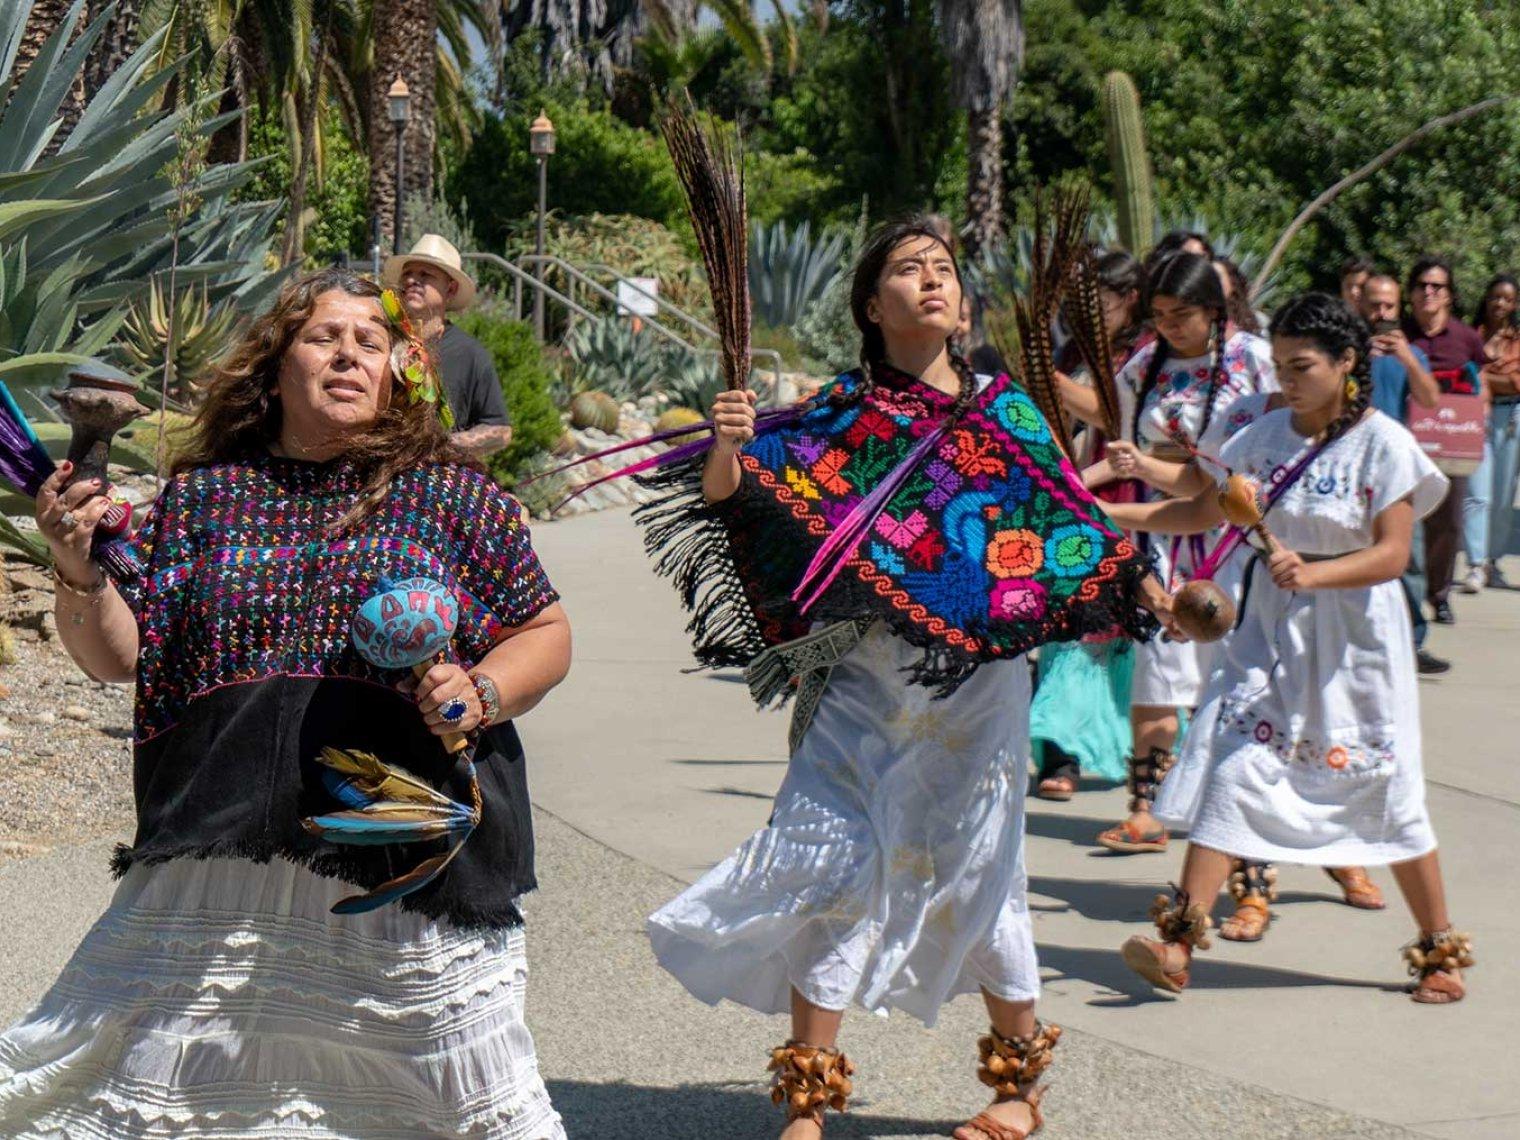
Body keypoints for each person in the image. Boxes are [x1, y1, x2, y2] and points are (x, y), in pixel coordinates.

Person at [0, 270, 573, 1136]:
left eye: (369, 343)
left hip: (397, 858)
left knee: (438, 1092)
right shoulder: (203, 499)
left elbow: (546, 630)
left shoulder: (451, 497)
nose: (346, 354)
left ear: (398, 373)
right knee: (162, 1077)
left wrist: (479, 691)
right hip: (220, 855)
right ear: (275, 369)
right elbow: (118, 657)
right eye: (322, 338)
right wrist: (78, 571)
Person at [640, 220, 1169, 1140]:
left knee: (976, 875)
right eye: (904, 269)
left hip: (978, 689)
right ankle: (807, 1100)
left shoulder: (1008, 413)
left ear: (962, 306)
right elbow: (739, 499)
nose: (929, 281)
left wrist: (1151, 587)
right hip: (864, 684)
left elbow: (1074, 528)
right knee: (831, 856)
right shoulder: (839, 413)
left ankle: (1017, 1087)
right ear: (870, 305)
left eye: (943, 270)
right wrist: (727, 441)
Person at [1112, 292, 1472, 1006]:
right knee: (1234, 770)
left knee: (1384, 792)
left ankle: (1439, 949)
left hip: (1355, 643)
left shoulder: (1385, 445)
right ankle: (1177, 944)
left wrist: (1316, 571)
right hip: (1269, 635)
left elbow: (1393, 554)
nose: (1286, 379)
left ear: (1345, 364)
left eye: (1302, 365)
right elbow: (1202, 508)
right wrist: (1108, 511)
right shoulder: (1260, 437)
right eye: (1277, 365)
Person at [1064, 252, 1276, 859]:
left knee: (1241, 680)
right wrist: (1082, 492)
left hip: (1241, 533)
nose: (1170, 327)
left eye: (1182, 314)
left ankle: (1272, 835)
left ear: (1214, 309)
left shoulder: (1253, 361)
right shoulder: (1143, 364)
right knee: (1157, 672)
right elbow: (1118, 433)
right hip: (1164, 531)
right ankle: (1146, 808)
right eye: (1158, 315)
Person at [1031, 249, 1146, 799]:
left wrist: (1044, 373)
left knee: (1123, 636)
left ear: (1128, 300)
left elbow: (1114, 414)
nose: (1084, 313)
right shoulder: (1077, 350)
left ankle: (1140, 749)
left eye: (1094, 303)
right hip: (1074, 501)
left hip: (1129, 500)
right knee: (1066, 630)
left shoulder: (1146, 356)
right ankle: (1061, 752)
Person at [1359, 274, 1449, 674]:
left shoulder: (1409, 353)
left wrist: (1408, 358)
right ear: (1361, 304)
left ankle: (1413, 641)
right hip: (1353, 462)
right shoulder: (1346, 349)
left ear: (1399, 309)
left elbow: (1430, 399)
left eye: (1389, 307)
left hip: (1395, 468)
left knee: (1407, 556)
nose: (1381, 313)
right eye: (1375, 304)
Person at [1403, 255, 1489, 624]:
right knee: (1404, 521)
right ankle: (1405, 597)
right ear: (1411, 293)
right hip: (1406, 444)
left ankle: (1438, 595)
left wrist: (1478, 414)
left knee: (1447, 522)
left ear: (1449, 295)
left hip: (1451, 443)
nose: (1428, 292)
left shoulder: (1466, 337)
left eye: (1437, 286)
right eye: (1422, 285)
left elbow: (1480, 381)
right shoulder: (1398, 335)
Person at [384, 233, 515, 458]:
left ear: (451, 290)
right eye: (407, 273)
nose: (411, 281)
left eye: (425, 275)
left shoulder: (469, 353)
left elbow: (500, 430)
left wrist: (442, 447)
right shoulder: (379, 341)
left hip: (438, 480)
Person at [1469, 274, 1520, 588]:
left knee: (1502, 497)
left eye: (1507, 298)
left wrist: (1486, 379)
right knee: (1478, 495)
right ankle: (1476, 563)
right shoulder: (1472, 336)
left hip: (1512, 417)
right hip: (1476, 417)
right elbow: (1467, 373)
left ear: (1514, 304)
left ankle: (1493, 559)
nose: (1499, 303)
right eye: (1495, 297)